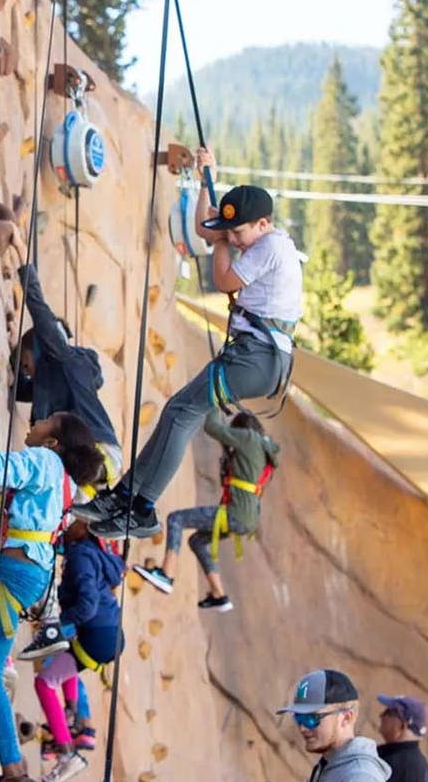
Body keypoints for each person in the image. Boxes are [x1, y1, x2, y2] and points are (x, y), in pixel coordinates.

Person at [74, 149, 302, 537]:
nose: (234, 239)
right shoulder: (255, 240)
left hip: (258, 357)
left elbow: (225, 279)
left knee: (180, 413)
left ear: (263, 224)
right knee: (181, 414)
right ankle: (127, 498)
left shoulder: (272, 246)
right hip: (256, 358)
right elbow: (203, 229)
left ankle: (140, 507)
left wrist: (221, 240)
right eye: (232, 232)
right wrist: (204, 179)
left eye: (239, 232)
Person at [0, 413, 104, 778]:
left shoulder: (44, 460)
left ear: (52, 442)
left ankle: (13, 767)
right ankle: (6, 660)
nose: (38, 419)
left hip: (15, 573)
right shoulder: (66, 483)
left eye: (47, 421)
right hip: (32, 575)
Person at [13, 261, 121, 662]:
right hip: (98, 463)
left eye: (27, 364)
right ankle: (49, 615)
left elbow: (44, 322)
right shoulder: (64, 378)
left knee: (52, 519)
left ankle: (52, 618)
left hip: (97, 457)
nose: (28, 375)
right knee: (54, 526)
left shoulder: (65, 359)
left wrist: (26, 276)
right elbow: (25, 392)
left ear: (39, 349)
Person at [132, 409, 279, 611]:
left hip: (235, 514)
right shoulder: (262, 448)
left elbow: (213, 428)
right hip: (246, 519)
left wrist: (213, 404)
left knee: (176, 519)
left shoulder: (248, 439)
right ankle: (219, 594)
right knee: (197, 541)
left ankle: (166, 574)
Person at [33, 519, 125, 782]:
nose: (69, 524)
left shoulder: (82, 555)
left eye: (76, 521)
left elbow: (87, 605)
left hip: (97, 635)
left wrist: (56, 623)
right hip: (109, 633)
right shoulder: (94, 553)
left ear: (86, 530)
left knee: (44, 683)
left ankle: (67, 753)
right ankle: (71, 714)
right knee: (65, 651)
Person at [277, 669, 391, 782]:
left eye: (312, 718)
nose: (303, 728)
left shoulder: (359, 780)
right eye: (299, 717)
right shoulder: (328, 767)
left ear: (346, 718)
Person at [376, 694, 428, 782]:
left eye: (388, 713)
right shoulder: (422, 764)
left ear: (403, 724)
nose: (381, 716)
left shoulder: (392, 764)